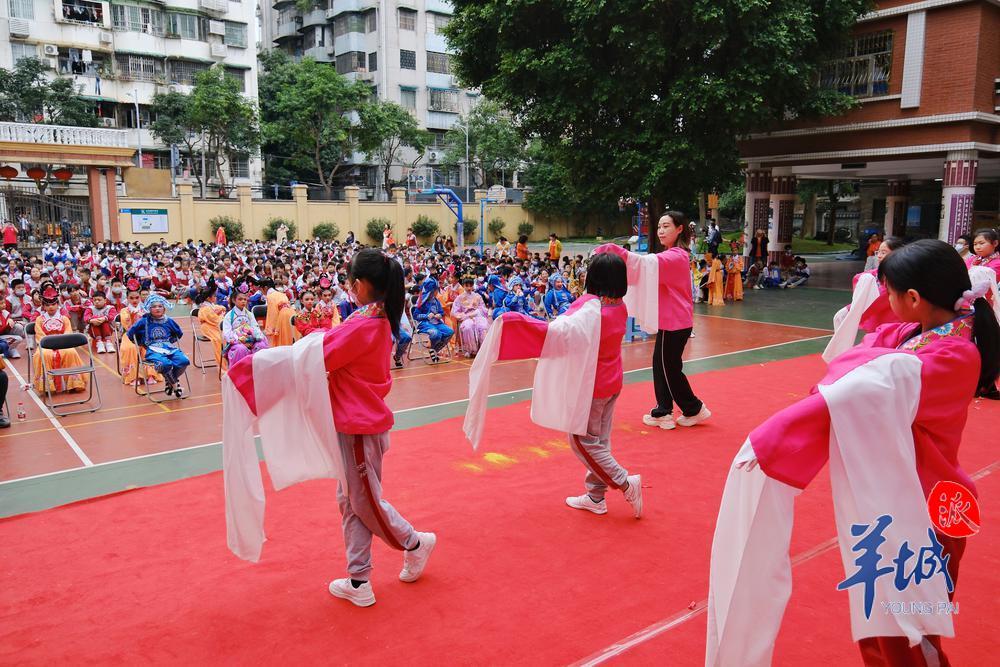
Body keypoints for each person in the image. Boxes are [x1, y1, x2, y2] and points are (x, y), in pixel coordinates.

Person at [706, 240, 999, 667]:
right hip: (895, 499)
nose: (886, 299)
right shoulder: (920, 331)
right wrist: (881, 278)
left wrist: (775, 439)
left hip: (929, 508)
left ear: (913, 298)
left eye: (892, 291)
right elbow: (866, 347)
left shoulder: (952, 355)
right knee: (880, 627)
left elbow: (860, 385)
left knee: (909, 635)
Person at [224, 248, 437, 607]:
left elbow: (319, 354)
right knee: (351, 501)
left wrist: (255, 369)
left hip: (359, 427)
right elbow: (325, 347)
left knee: (364, 502)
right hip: (353, 424)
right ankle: (359, 580)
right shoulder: (371, 318)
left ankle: (414, 542)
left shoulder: (366, 324)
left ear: (359, 285)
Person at [465, 252, 643, 518]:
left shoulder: (594, 313)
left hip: (595, 387)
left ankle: (626, 483)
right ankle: (596, 497)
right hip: (612, 381)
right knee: (599, 441)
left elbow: (559, 333)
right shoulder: (619, 307)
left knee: (582, 441)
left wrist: (517, 324)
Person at [595, 211, 709, 429]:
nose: (661, 231)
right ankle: (668, 410)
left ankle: (689, 408)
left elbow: (643, 264)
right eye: (659, 227)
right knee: (664, 365)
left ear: (680, 229)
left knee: (668, 367)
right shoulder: (673, 255)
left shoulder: (675, 256)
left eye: (666, 226)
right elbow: (645, 268)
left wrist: (616, 251)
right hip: (673, 321)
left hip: (676, 322)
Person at [126, 294, 189, 397]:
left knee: (184, 361)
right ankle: (175, 385)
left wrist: (169, 341)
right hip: (153, 350)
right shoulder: (144, 321)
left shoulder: (168, 320)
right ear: (149, 309)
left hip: (169, 348)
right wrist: (141, 342)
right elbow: (131, 333)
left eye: (160, 306)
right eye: (154, 306)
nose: (157, 308)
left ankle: (170, 381)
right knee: (164, 364)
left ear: (164, 308)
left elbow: (179, 333)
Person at [33, 284, 88, 394]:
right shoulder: (39, 319)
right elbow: (40, 336)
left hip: (63, 345)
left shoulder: (64, 319)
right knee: (43, 355)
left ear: (58, 304)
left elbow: (68, 334)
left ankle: (74, 383)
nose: (51, 307)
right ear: (43, 306)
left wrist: (60, 343)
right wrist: (50, 344)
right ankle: (47, 386)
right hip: (46, 347)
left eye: (53, 304)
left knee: (71, 352)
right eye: (47, 305)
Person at [119, 280, 162, 386]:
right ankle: (133, 376)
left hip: (144, 335)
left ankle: (150, 375)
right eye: (131, 298)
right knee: (131, 348)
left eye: (137, 297)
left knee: (151, 346)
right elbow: (127, 326)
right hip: (130, 336)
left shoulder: (145, 309)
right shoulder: (124, 311)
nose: (134, 300)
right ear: (127, 298)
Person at [223, 284, 269, 367]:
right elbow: (227, 333)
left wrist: (255, 337)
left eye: (245, 299)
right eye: (240, 299)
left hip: (251, 341)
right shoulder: (229, 316)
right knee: (241, 349)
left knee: (261, 345)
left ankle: (259, 370)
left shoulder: (250, 314)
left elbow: (255, 327)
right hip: (237, 343)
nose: (243, 301)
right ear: (234, 300)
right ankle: (240, 373)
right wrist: (241, 341)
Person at [411, 277, 453, 362]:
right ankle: (433, 349)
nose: (437, 291)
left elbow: (441, 312)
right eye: (436, 290)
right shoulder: (421, 301)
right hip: (424, 324)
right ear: (431, 291)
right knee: (435, 333)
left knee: (449, 332)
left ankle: (434, 350)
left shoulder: (436, 301)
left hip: (437, 323)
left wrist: (439, 315)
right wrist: (426, 316)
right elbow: (415, 315)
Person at [451, 276, 490, 356]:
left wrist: (477, 312)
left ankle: (483, 349)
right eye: (467, 286)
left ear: (473, 286)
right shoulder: (459, 298)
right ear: (463, 286)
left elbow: (483, 308)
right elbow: (455, 312)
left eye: (471, 286)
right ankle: (471, 350)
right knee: (468, 327)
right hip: (466, 317)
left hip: (478, 316)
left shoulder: (477, 296)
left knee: (483, 326)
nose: (469, 288)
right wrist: (465, 316)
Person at [194, 280, 226, 368]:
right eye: (214, 296)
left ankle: (227, 361)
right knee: (218, 339)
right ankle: (222, 365)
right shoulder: (205, 308)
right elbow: (216, 320)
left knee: (228, 337)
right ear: (208, 298)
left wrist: (221, 310)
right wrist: (221, 314)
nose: (216, 297)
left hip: (214, 326)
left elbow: (221, 308)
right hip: (208, 328)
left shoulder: (211, 305)